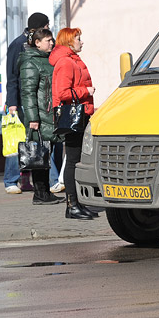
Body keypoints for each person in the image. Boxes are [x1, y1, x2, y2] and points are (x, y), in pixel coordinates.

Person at [51, 27, 97, 220]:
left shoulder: (73, 60)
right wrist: (86, 91)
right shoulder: (66, 63)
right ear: (70, 42)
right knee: (72, 161)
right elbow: (62, 93)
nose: (81, 42)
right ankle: (72, 206)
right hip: (73, 117)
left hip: (81, 115)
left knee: (77, 160)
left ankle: (78, 203)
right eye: (78, 38)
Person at [4, 12, 50, 194]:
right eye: (46, 26)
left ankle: (28, 179)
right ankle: (10, 180)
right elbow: (12, 75)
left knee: (35, 141)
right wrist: (12, 102)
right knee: (17, 140)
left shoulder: (42, 43)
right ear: (37, 27)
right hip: (21, 101)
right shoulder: (18, 45)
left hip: (37, 100)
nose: (48, 29)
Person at [19, 27, 63, 205]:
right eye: (48, 40)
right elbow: (28, 93)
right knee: (38, 155)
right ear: (37, 43)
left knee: (45, 153)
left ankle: (44, 192)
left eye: (52, 40)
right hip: (39, 117)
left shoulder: (46, 60)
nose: (52, 43)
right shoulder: (30, 62)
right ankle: (40, 194)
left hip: (49, 114)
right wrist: (33, 118)